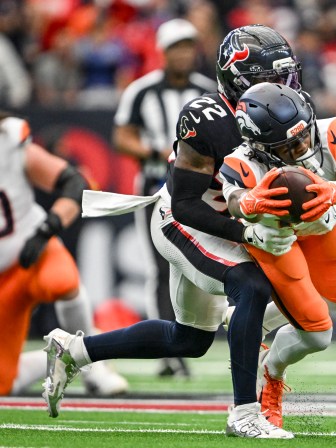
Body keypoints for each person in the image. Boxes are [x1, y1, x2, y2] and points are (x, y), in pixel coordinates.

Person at [42, 24, 307, 439]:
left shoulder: (290, 109)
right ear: (241, 81)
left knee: (189, 340)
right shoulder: (207, 118)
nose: (284, 87)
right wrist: (245, 234)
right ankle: (244, 414)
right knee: (250, 285)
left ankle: (74, 351)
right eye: (273, 78)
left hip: (230, 219)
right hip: (184, 220)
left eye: (286, 76)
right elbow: (185, 204)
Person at [219, 82, 336, 427]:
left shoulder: (331, 133)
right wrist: (248, 202)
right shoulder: (243, 162)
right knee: (318, 334)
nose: (303, 146)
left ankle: (253, 320)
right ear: (260, 147)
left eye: (303, 136)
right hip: (278, 240)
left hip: (323, 224)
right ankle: (271, 374)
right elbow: (233, 199)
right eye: (289, 145)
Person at [112, 18, 217, 378]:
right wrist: (155, 152)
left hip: (203, 190)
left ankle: (199, 333)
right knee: (160, 267)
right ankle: (168, 349)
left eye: (188, 46)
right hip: (155, 189)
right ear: (162, 52)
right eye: (176, 47)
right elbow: (122, 136)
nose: (183, 54)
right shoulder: (142, 90)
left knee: (206, 261)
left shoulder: (207, 90)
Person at [0, 112, 128, 397]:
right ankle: (62, 356)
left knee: (62, 281)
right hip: (2, 279)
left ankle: (92, 362)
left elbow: (74, 183)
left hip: (32, 247)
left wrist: (46, 229)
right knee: (3, 383)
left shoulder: (8, 142)